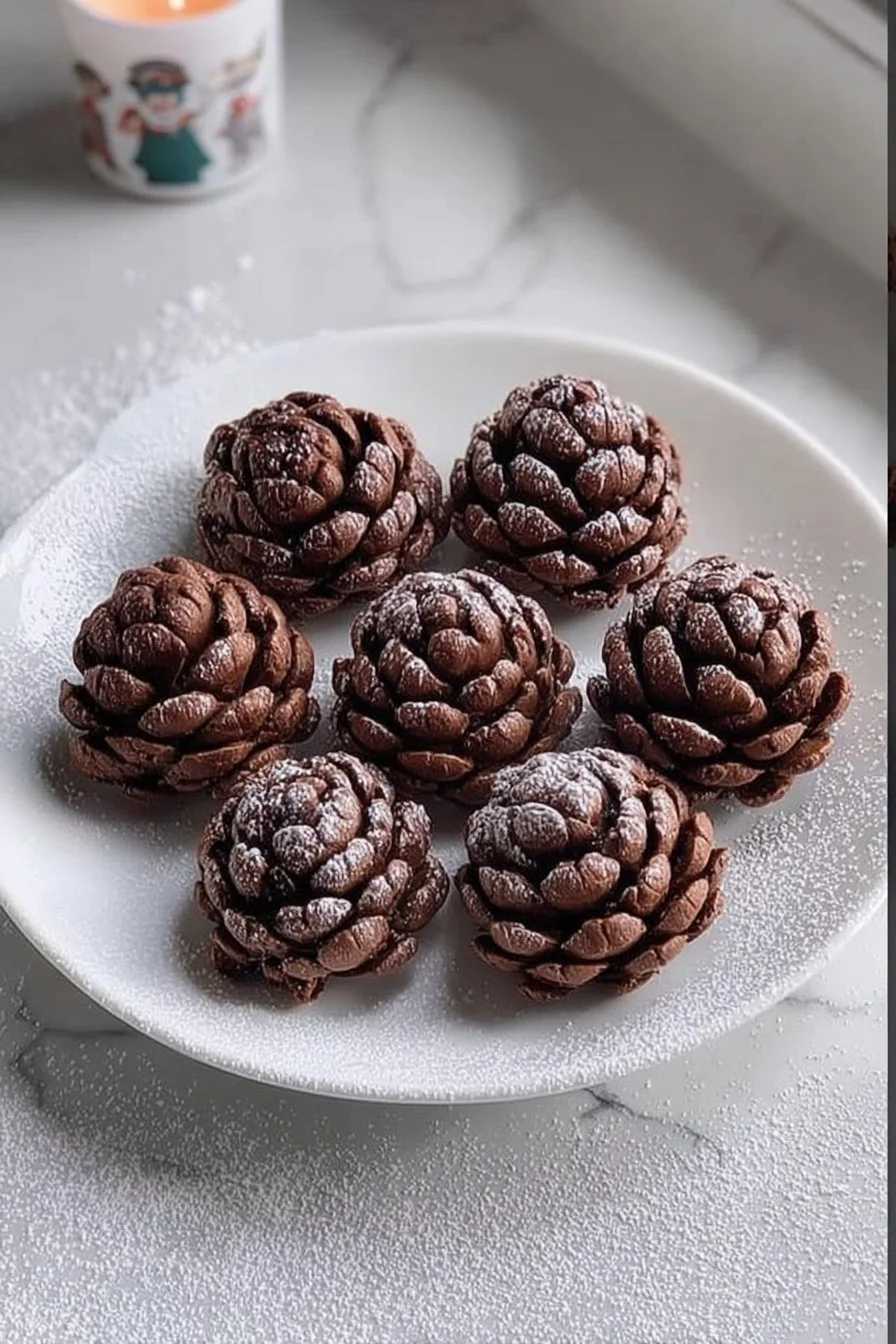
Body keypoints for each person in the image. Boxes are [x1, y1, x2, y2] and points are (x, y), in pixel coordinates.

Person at [118, 59, 211, 186]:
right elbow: (127, 130)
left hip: (182, 146)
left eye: (169, 96)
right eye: (155, 96)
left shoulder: (181, 114)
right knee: (155, 170)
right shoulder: (141, 113)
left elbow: (197, 121)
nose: (162, 101)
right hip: (154, 146)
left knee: (188, 169)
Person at [73, 60, 116, 172]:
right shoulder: (86, 103)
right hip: (98, 137)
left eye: (91, 82)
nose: (89, 88)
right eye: (84, 84)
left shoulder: (112, 97)